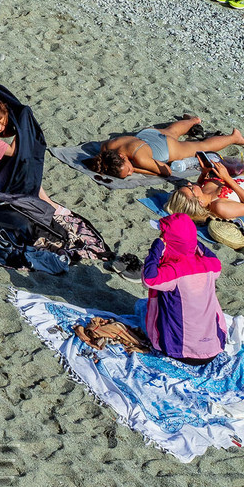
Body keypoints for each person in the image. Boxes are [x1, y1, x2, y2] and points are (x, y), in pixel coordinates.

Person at [142, 194, 227, 362]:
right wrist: (194, 243)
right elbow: (215, 260)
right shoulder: (209, 266)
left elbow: (149, 278)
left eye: (162, 235)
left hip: (181, 351)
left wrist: (157, 247)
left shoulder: (173, 271)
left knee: (145, 307)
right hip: (213, 348)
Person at [92, 118, 244, 182]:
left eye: (129, 170)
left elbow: (166, 171)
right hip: (146, 135)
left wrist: (140, 170)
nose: (132, 172)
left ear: (122, 157)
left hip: (166, 149)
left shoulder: (141, 159)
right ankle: (193, 120)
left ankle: (234, 138)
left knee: (202, 147)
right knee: (171, 131)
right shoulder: (106, 147)